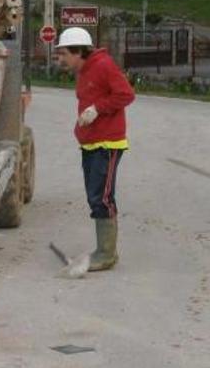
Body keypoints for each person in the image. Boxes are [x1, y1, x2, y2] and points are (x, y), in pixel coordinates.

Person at [55, 27, 135, 272]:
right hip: (91, 143)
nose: (60, 60)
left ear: (79, 52)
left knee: (102, 196)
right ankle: (103, 250)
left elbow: (126, 94)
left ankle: (107, 254)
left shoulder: (103, 65)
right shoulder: (85, 70)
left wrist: (98, 108)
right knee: (94, 196)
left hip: (107, 143)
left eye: (63, 54)